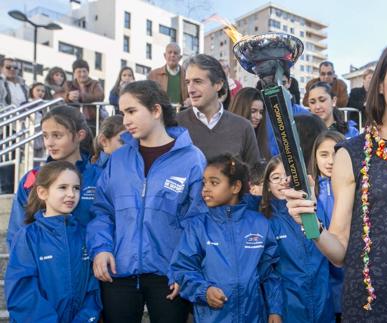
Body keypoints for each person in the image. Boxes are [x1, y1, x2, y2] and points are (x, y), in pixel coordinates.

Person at [283, 41, 387, 321]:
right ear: (381, 86)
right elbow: (339, 252)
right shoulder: (350, 154)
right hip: (371, 305)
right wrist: (309, 223)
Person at [87, 80, 206, 323]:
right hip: (118, 272)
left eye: (131, 111)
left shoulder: (192, 159)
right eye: (122, 113)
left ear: (155, 110)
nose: (126, 120)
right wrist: (101, 249)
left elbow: (197, 221)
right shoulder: (118, 159)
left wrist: (185, 269)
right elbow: (102, 212)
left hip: (169, 275)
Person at [169, 154, 283, 323]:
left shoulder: (259, 223)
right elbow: (183, 269)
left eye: (214, 182)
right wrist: (204, 291)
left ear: (235, 187)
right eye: (204, 182)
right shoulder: (197, 226)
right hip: (212, 317)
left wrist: (275, 310)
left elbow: (270, 273)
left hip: (253, 316)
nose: (205, 189)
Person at [5, 161, 102, 322]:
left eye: (76, 188)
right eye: (63, 187)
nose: (71, 194)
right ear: (43, 193)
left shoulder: (85, 235)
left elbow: (93, 290)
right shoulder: (28, 237)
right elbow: (23, 291)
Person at [7, 105, 100, 248]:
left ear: (80, 135)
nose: (49, 143)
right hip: (45, 268)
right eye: (45, 136)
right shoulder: (32, 179)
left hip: (90, 267)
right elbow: (17, 233)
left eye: (57, 135)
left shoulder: (99, 176)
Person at [259, 156, 334, 322]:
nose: (282, 181)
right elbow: (268, 271)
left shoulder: (314, 209)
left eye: (286, 175)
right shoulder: (267, 221)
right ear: (268, 186)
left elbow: (332, 256)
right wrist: (275, 309)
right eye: (275, 177)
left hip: (323, 302)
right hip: (289, 307)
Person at [177, 54, 260, 166]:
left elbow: (254, 177)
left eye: (197, 82)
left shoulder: (243, 128)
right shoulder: (175, 124)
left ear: (218, 85)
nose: (190, 90)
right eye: (188, 82)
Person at [309, 130, 346, 321]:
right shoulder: (310, 192)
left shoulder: (355, 190)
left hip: (348, 280)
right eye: (324, 154)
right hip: (320, 280)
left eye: (336, 154)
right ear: (314, 158)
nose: (330, 161)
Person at [64, 59, 106, 134]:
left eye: (84, 71)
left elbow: (100, 96)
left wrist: (81, 96)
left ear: (88, 72)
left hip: (92, 120)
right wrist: (68, 96)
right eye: (79, 72)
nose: (82, 74)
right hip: (74, 119)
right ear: (74, 73)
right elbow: (58, 96)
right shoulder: (68, 84)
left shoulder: (95, 83)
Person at [228, 87, 270, 160]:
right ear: (241, 109)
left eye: (261, 112)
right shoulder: (227, 140)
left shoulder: (262, 140)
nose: (258, 117)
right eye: (253, 111)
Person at [148, 43, 191, 109]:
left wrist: (191, 100)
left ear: (180, 57)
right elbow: (148, 96)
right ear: (165, 55)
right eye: (170, 52)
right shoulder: (153, 75)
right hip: (161, 114)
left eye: (175, 53)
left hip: (182, 113)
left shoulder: (187, 75)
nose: (172, 55)